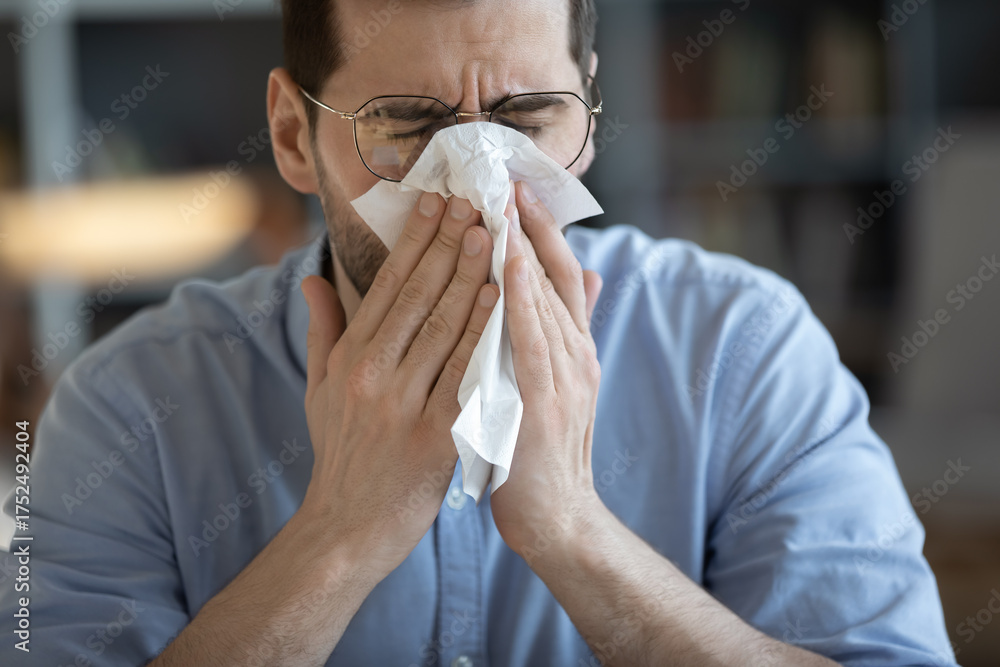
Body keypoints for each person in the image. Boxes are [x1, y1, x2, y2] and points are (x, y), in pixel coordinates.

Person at [1, 1, 956, 665]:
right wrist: (339, 538)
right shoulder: (124, 405)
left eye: (525, 117)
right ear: (294, 135)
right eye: (408, 126)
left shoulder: (745, 352)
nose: (476, 189)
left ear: (586, 121)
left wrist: (573, 532)